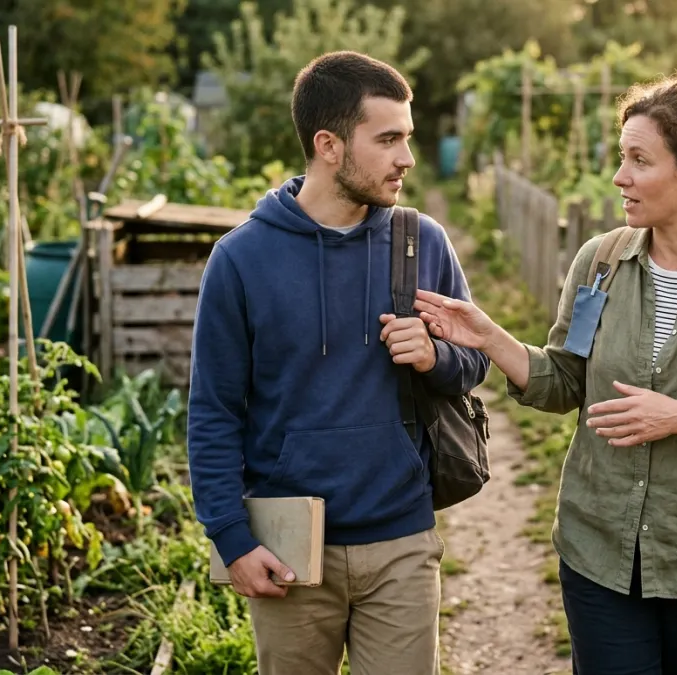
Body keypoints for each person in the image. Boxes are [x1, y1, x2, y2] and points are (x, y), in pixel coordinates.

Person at [413, 73, 677, 674]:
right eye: (621, 157)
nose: (620, 176)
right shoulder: (600, 264)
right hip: (599, 550)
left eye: (639, 160)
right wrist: (488, 338)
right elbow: (565, 380)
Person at [186, 50, 490, 675]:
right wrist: (231, 538)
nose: (407, 158)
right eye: (388, 140)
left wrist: (435, 357)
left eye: (408, 138)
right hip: (288, 541)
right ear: (328, 144)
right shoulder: (241, 260)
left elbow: (475, 362)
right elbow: (213, 411)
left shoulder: (421, 241)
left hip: (402, 536)